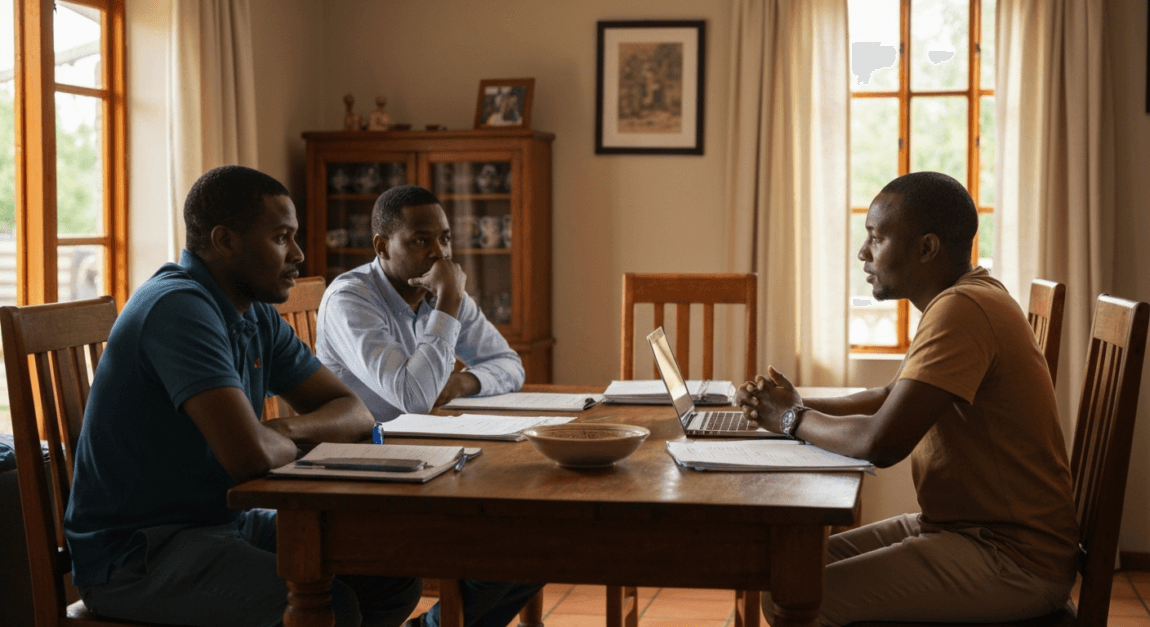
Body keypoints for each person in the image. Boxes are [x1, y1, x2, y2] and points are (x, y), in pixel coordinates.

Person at [62, 165, 422, 627]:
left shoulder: (254, 314)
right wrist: (268, 441)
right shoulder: (178, 308)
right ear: (224, 241)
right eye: (281, 237)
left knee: (392, 575)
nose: (297, 253)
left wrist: (281, 431)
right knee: (330, 606)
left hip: (223, 525)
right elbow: (250, 458)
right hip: (139, 555)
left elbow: (354, 412)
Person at [736, 171, 1079, 625]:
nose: (863, 253)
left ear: (927, 248)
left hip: (1011, 556)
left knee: (804, 597)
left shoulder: (962, 310)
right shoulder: (964, 297)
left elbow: (883, 442)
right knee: (784, 577)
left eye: (876, 238)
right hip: (960, 528)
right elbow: (889, 397)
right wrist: (790, 407)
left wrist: (792, 419)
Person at [316, 183, 538, 627]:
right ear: (382, 246)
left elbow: (509, 364)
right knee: (514, 541)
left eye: (445, 238)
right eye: (420, 240)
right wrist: (451, 300)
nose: (439, 253)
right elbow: (415, 398)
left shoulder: (438, 290)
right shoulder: (351, 299)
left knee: (539, 537)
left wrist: (461, 383)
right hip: (364, 467)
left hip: (426, 455)